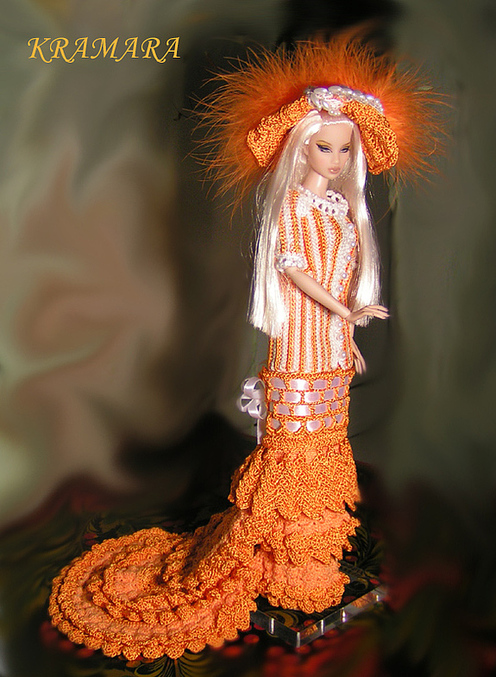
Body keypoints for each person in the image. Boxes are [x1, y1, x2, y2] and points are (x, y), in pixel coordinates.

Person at [49, 32, 443, 661]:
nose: (336, 159)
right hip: (298, 350)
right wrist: (346, 311)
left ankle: (309, 558)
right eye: (324, 146)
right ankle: (284, 561)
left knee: (323, 445)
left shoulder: (342, 211)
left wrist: (346, 336)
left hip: (329, 353)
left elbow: (338, 275)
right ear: (300, 145)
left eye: (345, 149)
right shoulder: (292, 206)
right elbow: (295, 272)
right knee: (294, 448)